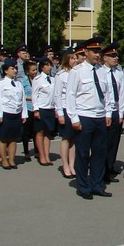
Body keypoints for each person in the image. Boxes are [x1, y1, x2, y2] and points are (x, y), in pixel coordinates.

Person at [67, 37, 113, 199]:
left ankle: (97, 184)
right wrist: (74, 118)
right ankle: (83, 186)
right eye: (94, 51)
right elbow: (70, 96)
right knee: (83, 153)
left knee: (100, 153)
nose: (97, 55)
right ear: (85, 52)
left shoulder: (102, 70)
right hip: (84, 116)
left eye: (99, 51)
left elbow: (107, 94)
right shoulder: (77, 71)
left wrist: (108, 113)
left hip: (100, 116)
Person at [102, 43, 124, 184]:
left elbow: (122, 93)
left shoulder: (119, 73)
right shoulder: (100, 72)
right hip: (105, 113)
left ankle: (110, 166)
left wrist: (121, 113)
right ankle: (102, 171)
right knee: (103, 143)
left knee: (114, 142)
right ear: (104, 57)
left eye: (116, 55)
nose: (116, 58)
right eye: (112, 56)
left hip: (116, 111)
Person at [0, 58, 27, 170]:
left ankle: (12, 160)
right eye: (12, 68)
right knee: (3, 138)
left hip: (16, 113)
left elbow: (22, 100)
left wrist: (24, 114)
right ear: (6, 71)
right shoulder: (0, 84)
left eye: (16, 68)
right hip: (5, 113)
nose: (15, 70)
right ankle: (4, 160)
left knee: (13, 138)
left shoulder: (18, 84)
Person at [54, 48, 77, 179]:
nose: (74, 60)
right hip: (65, 108)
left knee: (74, 139)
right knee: (66, 138)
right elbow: (57, 95)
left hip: (76, 109)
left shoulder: (77, 73)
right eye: (72, 58)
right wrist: (60, 113)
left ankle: (72, 164)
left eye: (75, 58)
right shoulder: (61, 75)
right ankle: (65, 165)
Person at [31, 58, 56, 166]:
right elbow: (34, 95)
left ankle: (47, 155)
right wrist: (36, 109)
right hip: (41, 108)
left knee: (48, 132)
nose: (49, 67)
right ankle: (41, 155)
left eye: (50, 65)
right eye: (47, 65)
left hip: (50, 108)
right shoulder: (38, 79)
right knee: (40, 131)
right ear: (42, 67)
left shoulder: (53, 79)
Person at [18, 60, 37, 162]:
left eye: (36, 70)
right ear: (27, 71)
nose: (35, 72)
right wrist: (29, 98)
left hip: (36, 108)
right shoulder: (22, 81)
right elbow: (21, 95)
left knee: (36, 131)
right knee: (26, 132)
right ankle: (26, 152)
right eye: (33, 70)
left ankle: (37, 151)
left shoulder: (38, 80)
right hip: (28, 108)